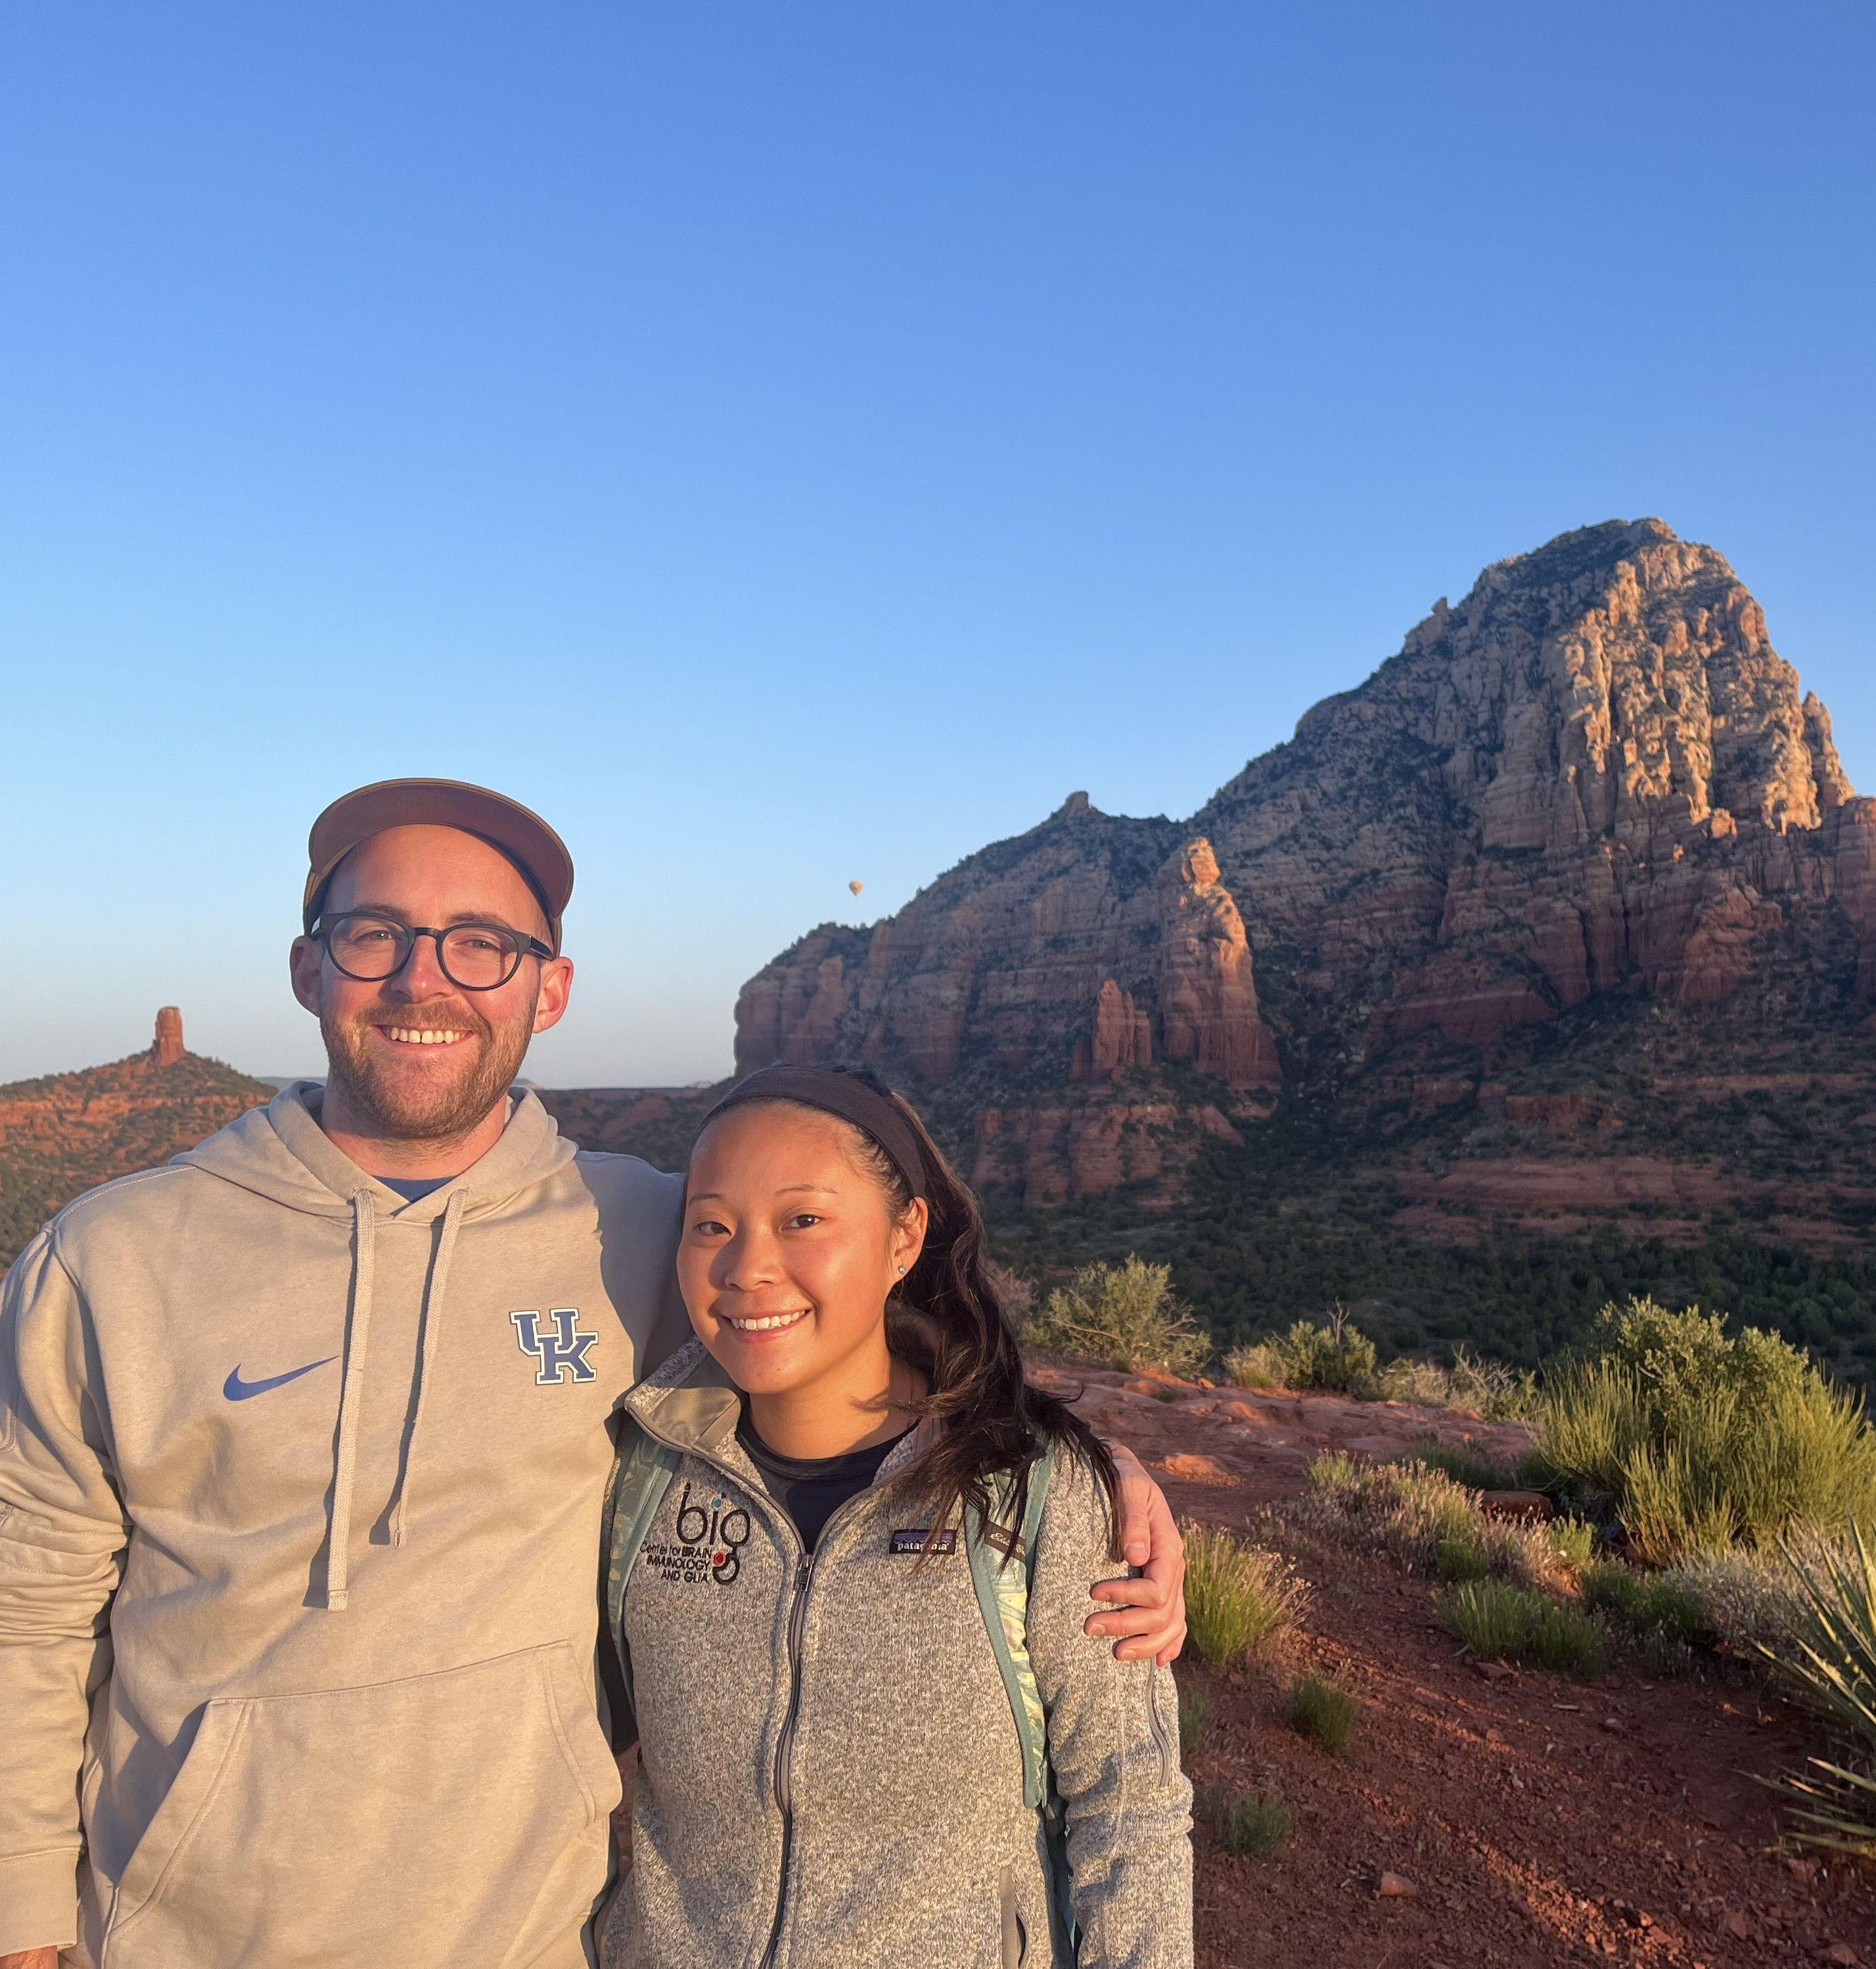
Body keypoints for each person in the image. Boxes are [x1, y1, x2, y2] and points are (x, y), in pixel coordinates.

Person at [0, 779, 1187, 1969]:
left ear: (547, 989)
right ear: (311, 971)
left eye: (482, 945)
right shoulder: (114, 1258)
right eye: (375, 936)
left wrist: (1086, 1476)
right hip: (179, 1939)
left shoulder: (639, 1224)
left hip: (527, 1942)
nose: (425, 980)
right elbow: (24, 1612)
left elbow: (842, 1306)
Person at [599, 1063, 1193, 1969]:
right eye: (711, 1226)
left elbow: (1131, 1806)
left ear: (905, 1235)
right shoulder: (641, 1478)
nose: (748, 1267)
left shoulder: (1032, 1489)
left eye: (803, 1220)